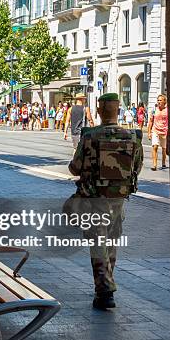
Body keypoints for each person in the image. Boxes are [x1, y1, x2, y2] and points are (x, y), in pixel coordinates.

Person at [68, 92, 143, 310]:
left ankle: (104, 290)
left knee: (98, 243)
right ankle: (107, 282)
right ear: (118, 110)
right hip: (118, 199)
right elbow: (136, 168)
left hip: (94, 198)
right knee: (111, 242)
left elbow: (75, 167)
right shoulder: (132, 137)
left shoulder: (90, 136)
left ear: (99, 111)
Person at [147, 94, 169, 171]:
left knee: (164, 149)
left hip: (164, 131)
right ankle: (154, 165)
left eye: (160, 100)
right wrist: (149, 132)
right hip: (155, 130)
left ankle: (163, 163)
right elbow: (150, 121)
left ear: (164, 101)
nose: (159, 102)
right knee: (155, 146)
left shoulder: (167, 110)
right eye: (158, 100)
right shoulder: (154, 110)